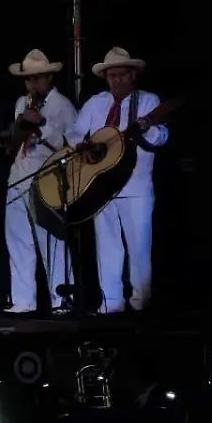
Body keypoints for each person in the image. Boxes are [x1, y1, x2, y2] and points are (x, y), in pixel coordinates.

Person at [66, 47, 168, 313]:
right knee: (107, 247)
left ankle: (140, 304)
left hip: (135, 186)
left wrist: (146, 129)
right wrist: (84, 146)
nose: (117, 81)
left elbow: (163, 136)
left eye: (122, 75)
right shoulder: (96, 102)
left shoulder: (147, 102)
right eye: (112, 76)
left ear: (133, 75)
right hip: (100, 186)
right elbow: (74, 133)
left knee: (139, 249)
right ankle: (110, 303)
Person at [3, 50, 77, 312]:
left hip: (47, 177)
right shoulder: (21, 103)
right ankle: (23, 301)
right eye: (28, 80)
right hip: (18, 175)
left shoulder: (63, 105)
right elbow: (16, 141)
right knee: (18, 240)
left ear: (48, 77)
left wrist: (41, 124)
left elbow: (71, 143)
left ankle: (62, 300)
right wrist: (20, 128)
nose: (32, 85)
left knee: (51, 241)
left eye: (37, 79)